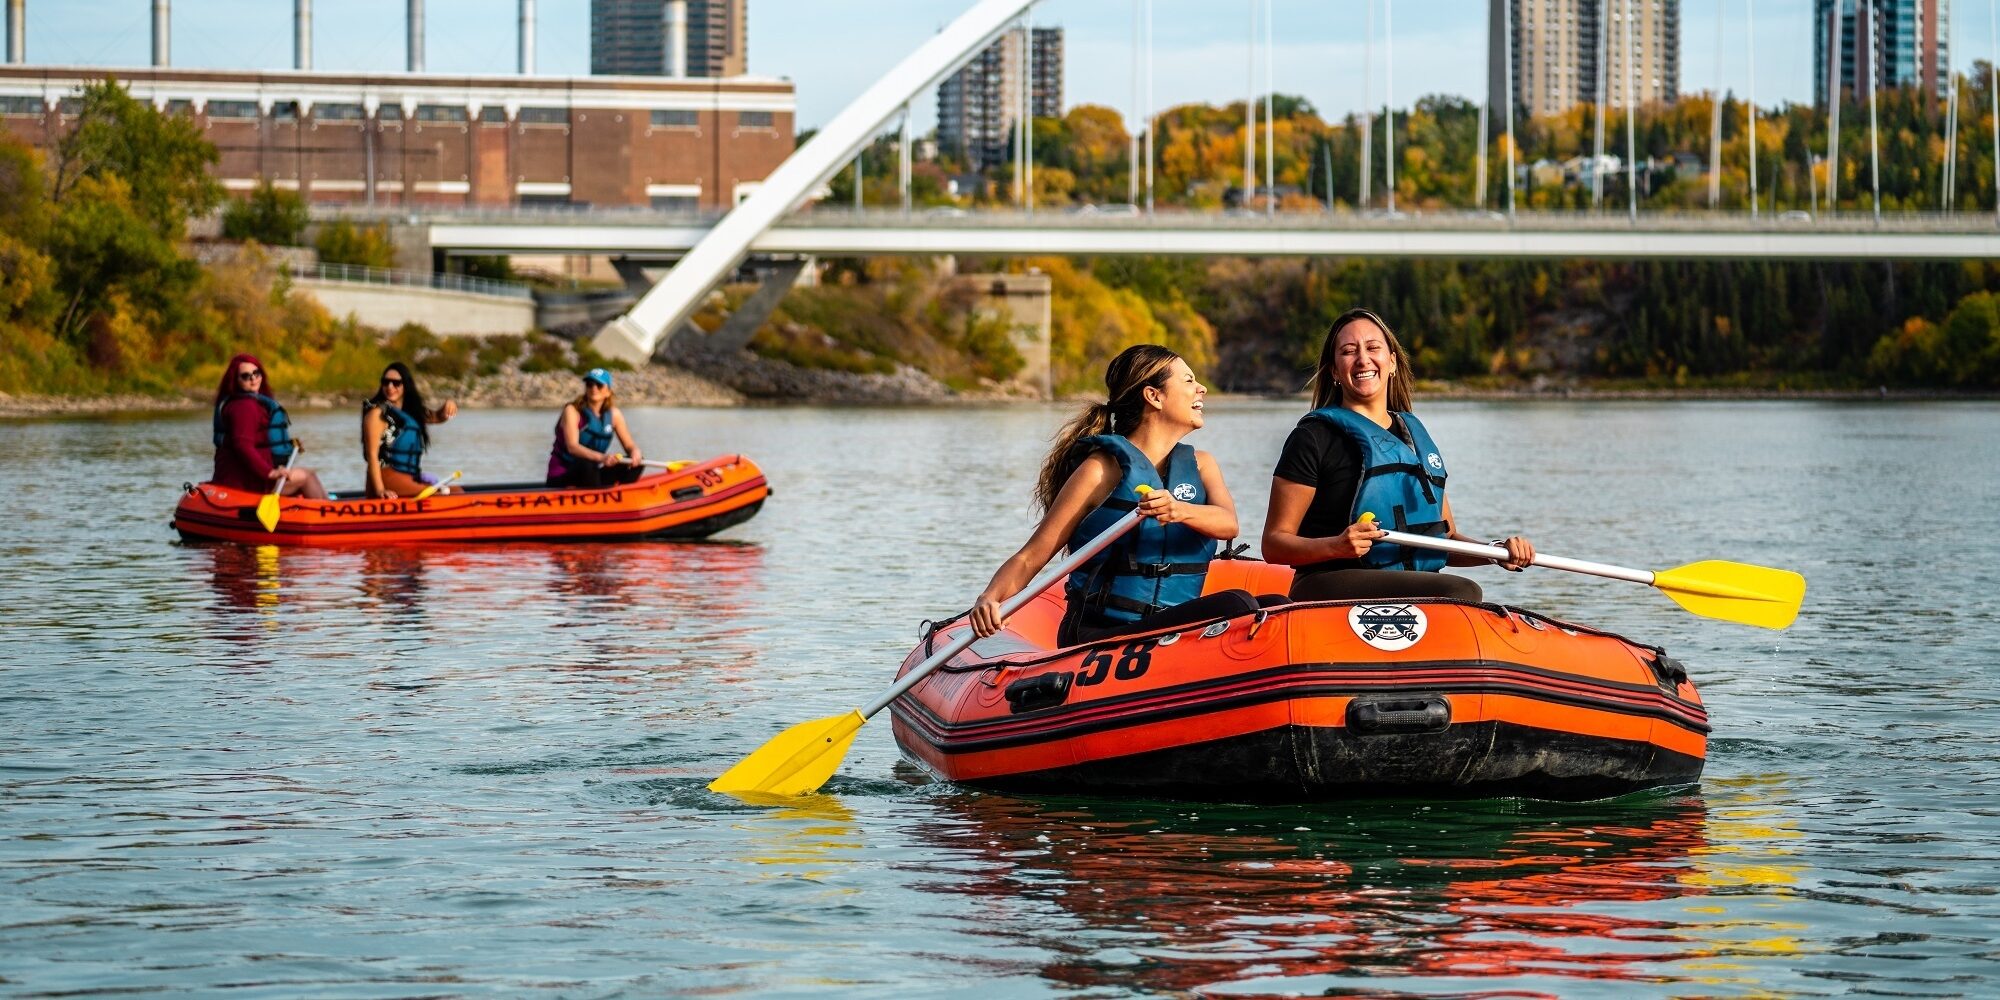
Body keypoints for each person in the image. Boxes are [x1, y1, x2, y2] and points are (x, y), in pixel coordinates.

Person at [970, 345, 1260, 647]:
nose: (1201, 388)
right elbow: (1031, 556)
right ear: (1154, 396)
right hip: (1101, 633)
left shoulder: (1202, 465)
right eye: (1188, 380)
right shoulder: (1100, 471)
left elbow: (1228, 524)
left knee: (1273, 605)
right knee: (1237, 604)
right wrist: (990, 598)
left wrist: (1179, 510)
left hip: (1169, 632)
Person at [1262, 308, 1533, 602]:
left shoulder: (1415, 439)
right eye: (1349, 351)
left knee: (1459, 591)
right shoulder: (1312, 437)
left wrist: (1495, 552)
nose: (1363, 359)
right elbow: (1274, 544)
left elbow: (1445, 540)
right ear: (1334, 371)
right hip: (1327, 584)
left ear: (1391, 361)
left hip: (1410, 586)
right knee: (1462, 591)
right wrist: (1336, 546)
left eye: (1373, 348)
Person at [211, 352, 327, 499]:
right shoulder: (244, 407)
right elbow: (242, 445)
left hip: (249, 476)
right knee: (307, 476)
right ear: (236, 380)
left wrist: (289, 446)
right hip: (244, 480)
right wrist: (270, 472)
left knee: (305, 478)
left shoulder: (247, 403)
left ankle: (322, 508)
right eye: (246, 376)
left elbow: (262, 440)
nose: (253, 378)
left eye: (256, 373)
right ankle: (330, 511)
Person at [361, 361, 456, 499]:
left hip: (407, 477)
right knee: (442, 495)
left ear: (405, 384)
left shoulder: (411, 412)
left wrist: (449, 404)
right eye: (385, 382)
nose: (390, 387)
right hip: (386, 477)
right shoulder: (377, 414)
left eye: (396, 383)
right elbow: (372, 456)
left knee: (457, 491)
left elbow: (438, 417)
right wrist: (380, 490)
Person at [546, 368, 645, 488]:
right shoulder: (572, 411)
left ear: (608, 392)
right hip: (562, 476)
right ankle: (599, 496)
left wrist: (635, 452)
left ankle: (622, 495)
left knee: (637, 462)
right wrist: (602, 458)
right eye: (589, 384)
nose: (594, 388)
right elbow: (572, 447)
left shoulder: (614, 415)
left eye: (599, 385)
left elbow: (629, 445)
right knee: (587, 464)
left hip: (591, 475)